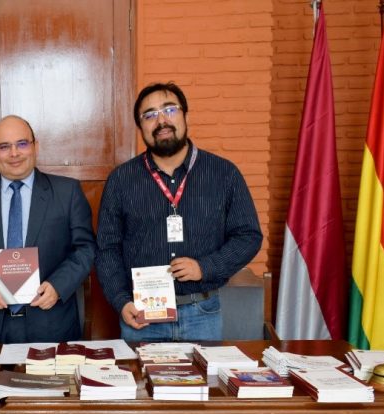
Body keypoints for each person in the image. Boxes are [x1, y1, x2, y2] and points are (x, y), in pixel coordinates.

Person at [96, 82, 262, 341]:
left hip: (202, 312)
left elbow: (249, 236)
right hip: (142, 316)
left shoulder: (223, 173)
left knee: (204, 382)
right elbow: (107, 248)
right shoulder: (121, 180)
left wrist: (205, 267)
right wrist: (120, 301)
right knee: (141, 383)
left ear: (186, 116)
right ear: (141, 128)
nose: (161, 120)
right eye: (149, 115)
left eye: (169, 109)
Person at [0, 115, 97, 343]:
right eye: (4, 147)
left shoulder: (67, 192)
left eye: (22, 144)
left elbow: (86, 249)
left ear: (36, 147)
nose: (14, 153)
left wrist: (58, 285)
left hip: (50, 323)